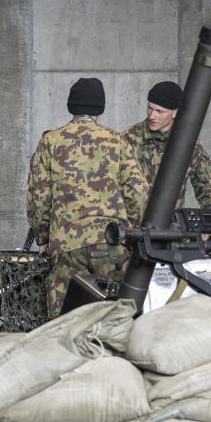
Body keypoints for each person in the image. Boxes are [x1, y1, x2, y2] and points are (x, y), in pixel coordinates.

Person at [27, 78, 150, 317]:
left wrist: (43, 237)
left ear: (71, 107)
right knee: (116, 317)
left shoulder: (51, 142)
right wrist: (131, 232)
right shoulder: (118, 141)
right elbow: (138, 193)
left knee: (66, 321)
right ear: (99, 109)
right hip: (112, 241)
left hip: (67, 245)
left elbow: (38, 196)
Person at [123, 80, 211, 207]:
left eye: (160, 111)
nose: (152, 116)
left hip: (172, 218)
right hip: (134, 218)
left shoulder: (188, 143)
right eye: (150, 108)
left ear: (175, 113)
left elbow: (208, 189)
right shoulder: (129, 138)